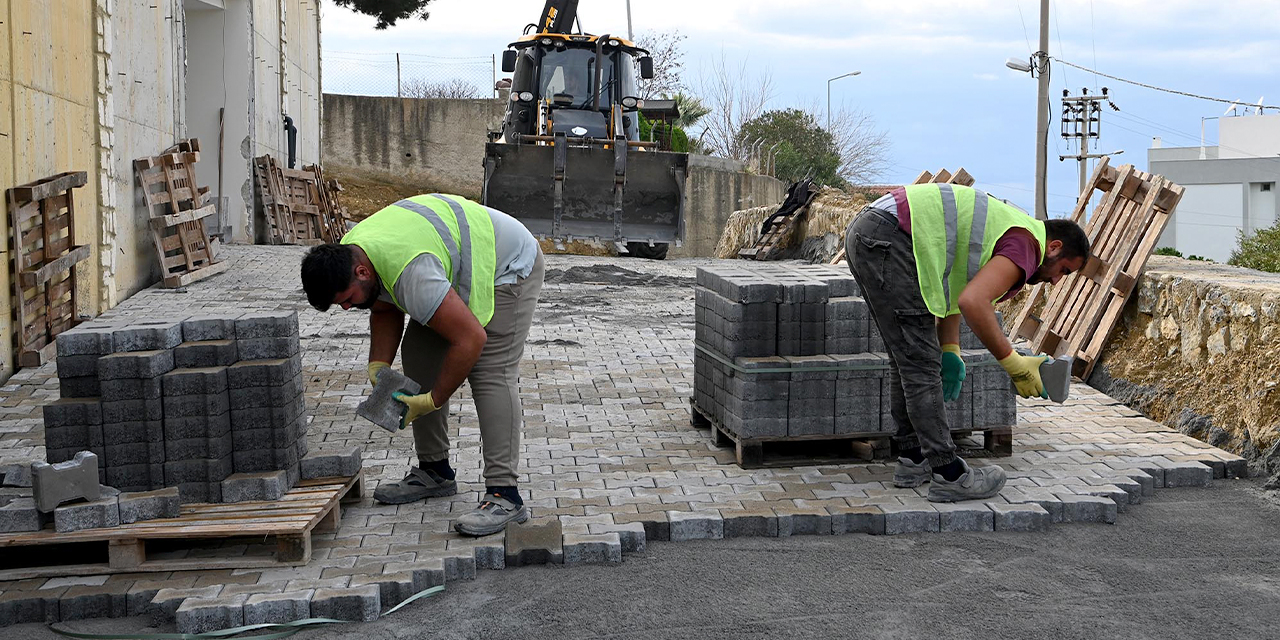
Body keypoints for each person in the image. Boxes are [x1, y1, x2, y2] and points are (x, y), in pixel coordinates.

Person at [301, 193, 543, 536]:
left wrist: (432, 399)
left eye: (347, 300)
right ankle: (435, 471)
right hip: (454, 265)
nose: (346, 308)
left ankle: (505, 495)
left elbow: (471, 339)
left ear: (361, 271)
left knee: (490, 371)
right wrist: (378, 365)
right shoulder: (353, 252)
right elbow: (384, 306)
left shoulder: (411, 272)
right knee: (418, 353)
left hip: (507, 265)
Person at [844, 183, 1090, 502]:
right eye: (1063, 271)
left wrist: (951, 348)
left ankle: (914, 457)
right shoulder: (1026, 246)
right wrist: (1013, 362)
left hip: (874, 231)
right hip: (890, 236)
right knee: (919, 363)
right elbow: (974, 301)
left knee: (906, 357)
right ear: (1054, 247)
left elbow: (956, 283)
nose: (1056, 280)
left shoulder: (1012, 231)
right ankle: (950, 474)